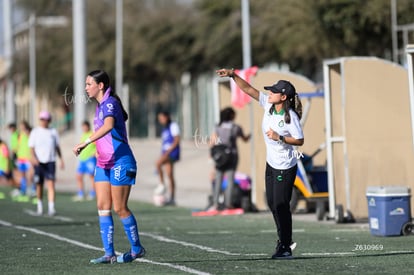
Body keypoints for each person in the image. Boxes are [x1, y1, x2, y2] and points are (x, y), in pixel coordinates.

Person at [216, 68, 304, 259]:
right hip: (271, 165)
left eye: (274, 92)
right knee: (272, 203)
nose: (269, 94)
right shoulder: (268, 106)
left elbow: (299, 141)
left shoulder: (290, 117)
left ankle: (285, 245)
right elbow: (248, 90)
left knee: (281, 205)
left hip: (285, 167)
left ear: (283, 97)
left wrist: (279, 137)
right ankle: (283, 241)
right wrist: (233, 75)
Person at [73, 70, 145, 264]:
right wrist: (98, 150)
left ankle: (137, 249)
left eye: (89, 84)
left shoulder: (110, 103)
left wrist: (85, 142)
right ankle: (109, 254)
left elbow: (109, 126)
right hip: (103, 163)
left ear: (101, 85)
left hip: (121, 161)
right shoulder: (100, 106)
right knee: (103, 207)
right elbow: (104, 135)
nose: (86, 87)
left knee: (120, 208)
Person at [209, 107, 250, 211]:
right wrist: (249, 136)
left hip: (220, 157)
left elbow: (212, 142)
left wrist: (212, 156)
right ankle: (228, 203)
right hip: (232, 156)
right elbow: (244, 138)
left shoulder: (218, 127)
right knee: (230, 180)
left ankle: (215, 204)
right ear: (231, 116)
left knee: (218, 179)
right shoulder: (235, 128)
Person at [29, 111, 65, 216]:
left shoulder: (53, 132)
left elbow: (57, 147)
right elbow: (31, 147)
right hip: (39, 162)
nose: (44, 121)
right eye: (42, 119)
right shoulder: (35, 132)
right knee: (39, 185)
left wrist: (61, 159)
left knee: (51, 184)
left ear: (49, 120)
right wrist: (33, 158)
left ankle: (51, 208)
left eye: (46, 119)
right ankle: (39, 207)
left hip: (50, 161)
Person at [154, 111, 180, 206]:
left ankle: (161, 185)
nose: (161, 120)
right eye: (159, 119)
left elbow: (177, 140)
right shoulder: (164, 129)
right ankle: (172, 198)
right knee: (170, 175)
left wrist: (168, 152)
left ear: (167, 117)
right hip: (166, 152)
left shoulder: (173, 125)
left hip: (171, 152)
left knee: (158, 163)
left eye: (162, 118)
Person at [73, 120, 96, 201]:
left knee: (91, 176)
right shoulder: (83, 135)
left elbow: (97, 146)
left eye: (85, 126)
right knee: (78, 176)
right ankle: (80, 193)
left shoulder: (92, 135)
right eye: (82, 127)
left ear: (88, 126)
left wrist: (94, 153)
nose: (83, 128)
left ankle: (92, 193)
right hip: (82, 159)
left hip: (90, 159)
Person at [15, 121, 34, 197]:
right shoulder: (19, 134)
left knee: (30, 175)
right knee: (22, 175)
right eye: (20, 126)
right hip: (21, 157)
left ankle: (32, 189)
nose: (21, 127)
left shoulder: (29, 133)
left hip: (28, 157)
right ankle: (23, 190)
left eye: (22, 125)